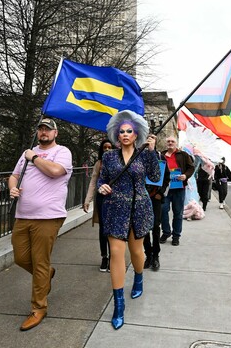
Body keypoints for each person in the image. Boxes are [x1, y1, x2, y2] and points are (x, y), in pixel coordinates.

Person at [8, 118, 73, 331]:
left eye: (48, 129)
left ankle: (38, 308)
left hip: (48, 216)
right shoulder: (28, 152)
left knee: (40, 261)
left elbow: (55, 171)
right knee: (20, 258)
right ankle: (46, 275)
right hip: (23, 214)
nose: (43, 132)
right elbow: (14, 175)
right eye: (41, 129)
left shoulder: (62, 151)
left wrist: (34, 157)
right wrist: (13, 188)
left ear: (56, 133)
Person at [97, 110, 160, 330]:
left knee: (136, 252)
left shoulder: (144, 155)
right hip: (115, 208)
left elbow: (155, 177)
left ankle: (139, 277)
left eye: (129, 131)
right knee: (115, 253)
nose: (125, 134)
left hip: (140, 208)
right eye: (121, 131)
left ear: (136, 135)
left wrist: (153, 153)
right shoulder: (108, 156)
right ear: (117, 134)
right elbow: (102, 179)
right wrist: (101, 187)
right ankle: (119, 305)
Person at [83, 138, 114, 272]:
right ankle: (104, 257)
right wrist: (87, 200)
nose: (107, 150)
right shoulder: (98, 164)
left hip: (116, 200)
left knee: (113, 230)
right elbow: (93, 181)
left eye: (109, 147)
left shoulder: (119, 162)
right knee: (103, 230)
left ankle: (114, 258)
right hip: (102, 199)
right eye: (104, 147)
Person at [160, 135, 194, 246]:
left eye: (172, 141)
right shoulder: (161, 155)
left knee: (178, 213)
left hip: (179, 188)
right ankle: (166, 232)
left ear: (176, 143)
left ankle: (176, 235)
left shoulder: (183, 155)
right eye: (168, 141)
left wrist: (185, 176)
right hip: (165, 189)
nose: (170, 143)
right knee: (163, 210)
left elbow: (191, 168)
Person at [143, 135, 169, 272]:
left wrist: (161, 193)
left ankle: (156, 255)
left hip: (155, 197)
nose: (149, 140)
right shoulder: (139, 156)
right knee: (144, 228)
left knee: (155, 226)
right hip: (142, 198)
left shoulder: (160, 157)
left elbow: (167, 178)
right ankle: (148, 255)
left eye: (152, 138)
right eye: (148, 138)